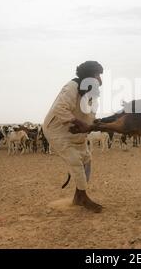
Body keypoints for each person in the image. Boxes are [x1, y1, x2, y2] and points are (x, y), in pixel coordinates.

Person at [43, 61, 104, 213]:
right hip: (57, 130)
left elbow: (90, 115)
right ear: (88, 76)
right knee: (75, 161)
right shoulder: (72, 87)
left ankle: (78, 196)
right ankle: (83, 197)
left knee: (86, 159)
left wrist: (92, 125)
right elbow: (60, 108)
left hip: (75, 133)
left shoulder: (92, 94)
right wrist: (77, 122)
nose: (100, 80)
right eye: (97, 75)